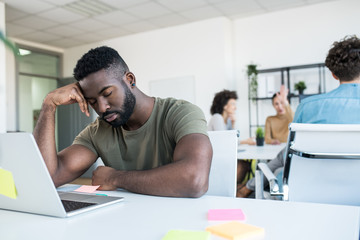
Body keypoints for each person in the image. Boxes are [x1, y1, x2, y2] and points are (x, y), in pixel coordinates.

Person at [33, 46, 213, 198]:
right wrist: (49, 104)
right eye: (93, 101)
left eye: (107, 93)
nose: (102, 108)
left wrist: (115, 178)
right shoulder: (98, 131)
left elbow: (195, 180)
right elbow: (48, 177)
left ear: (130, 80)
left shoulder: (179, 113)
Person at [238, 35, 360, 198]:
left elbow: (291, 153)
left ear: (333, 74)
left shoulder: (307, 106)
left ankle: (247, 187)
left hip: (308, 191)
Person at [207, 89, 255, 196]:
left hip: (222, 155)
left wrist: (233, 123)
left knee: (245, 164)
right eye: (233, 104)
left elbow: (233, 139)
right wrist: (246, 141)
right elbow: (225, 141)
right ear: (224, 106)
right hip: (215, 158)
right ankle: (234, 189)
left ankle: (236, 188)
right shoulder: (217, 118)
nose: (235, 107)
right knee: (243, 165)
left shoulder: (226, 120)